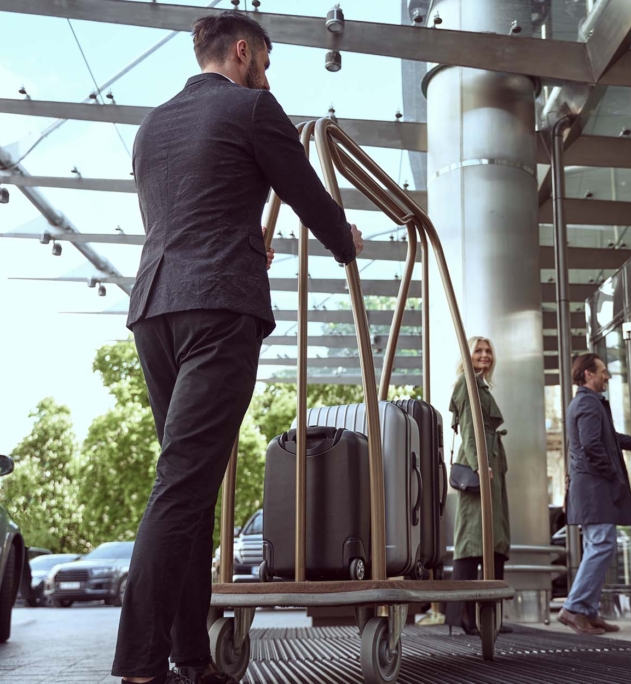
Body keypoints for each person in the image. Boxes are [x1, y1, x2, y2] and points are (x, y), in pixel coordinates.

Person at [113, 12, 363, 684]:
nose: (268, 73)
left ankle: (190, 656)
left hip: (154, 310)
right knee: (182, 483)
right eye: (268, 61)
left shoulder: (150, 126)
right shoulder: (254, 107)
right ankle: (139, 664)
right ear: (244, 51)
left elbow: (183, 214)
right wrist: (345, 242)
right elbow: (305, 191)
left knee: (189, 485)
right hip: (219, 309)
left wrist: (241, 232)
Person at [557, 353, 631, 635]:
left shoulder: (590, 403)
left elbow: (610, 439)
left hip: (593, 488)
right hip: (594, 489)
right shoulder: (587, 404)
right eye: (603, 372)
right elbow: (593, 447)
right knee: (601, 545)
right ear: (587, 375)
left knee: (602, 545)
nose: (608, 376)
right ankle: (574, 608)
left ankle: (589, 611)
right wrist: (613, 475)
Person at [445, 336, 511, 636]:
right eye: (478, 350)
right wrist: (478, 465)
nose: (485, 355)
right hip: (479, 466)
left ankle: (490, 617)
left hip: (490, 464)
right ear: (467, 355)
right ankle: (465, 617)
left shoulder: (480, 384)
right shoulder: (466, 383)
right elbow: (470, 430)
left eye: (488, 350)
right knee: (473, 540)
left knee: (493, 539)